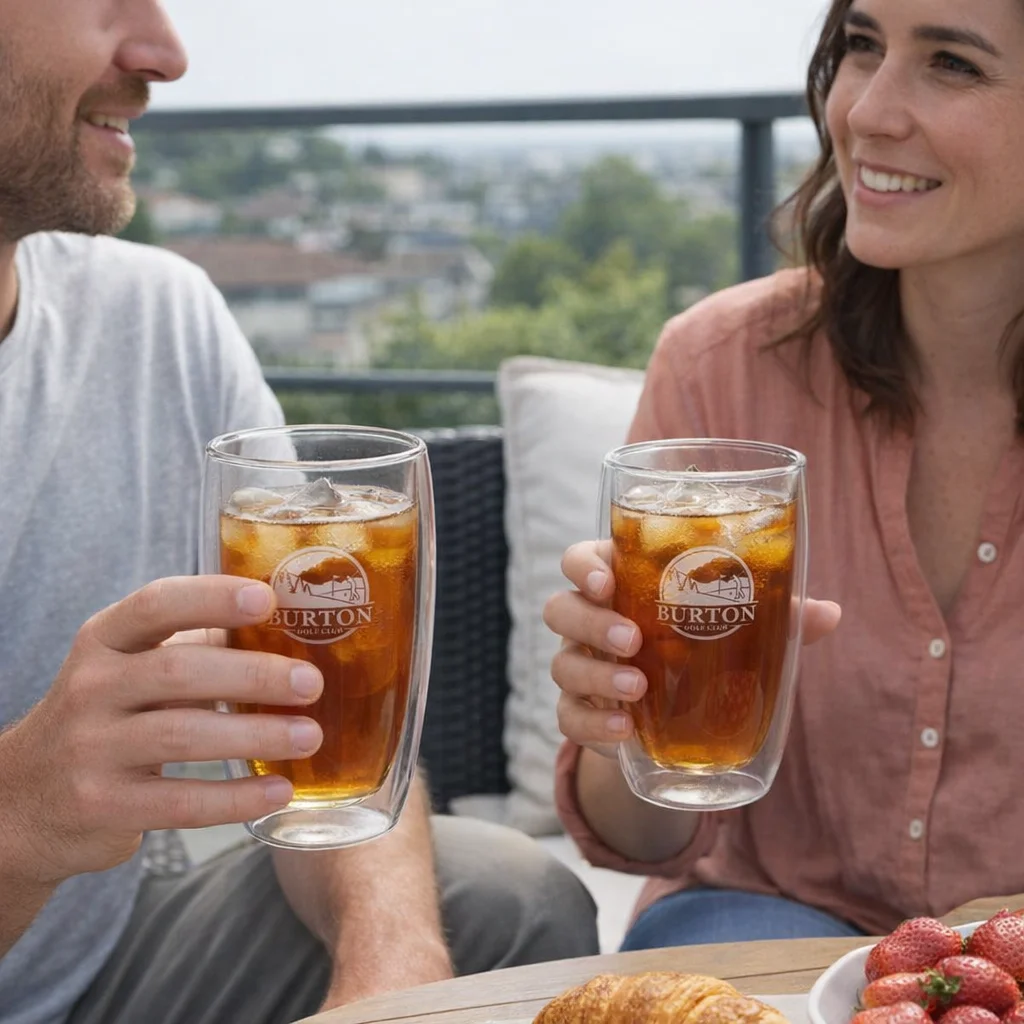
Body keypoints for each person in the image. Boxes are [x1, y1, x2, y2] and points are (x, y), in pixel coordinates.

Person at [0, 3, 599, 1023]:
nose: (166, 54)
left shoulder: (156, 320)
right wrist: (18, 821)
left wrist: (389, 971)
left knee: (506, 900)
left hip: (103, 966)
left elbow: (321, 719)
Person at [544, 0, 1024, 951]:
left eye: (953, 65)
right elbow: (647, 839)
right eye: (861, 47)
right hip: (763, 921)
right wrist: (617, 722)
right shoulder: (721, 364)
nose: (869, 110)